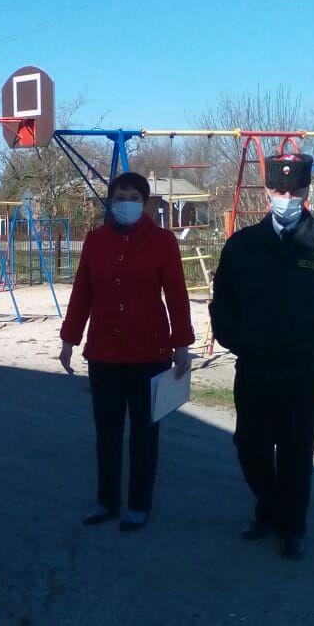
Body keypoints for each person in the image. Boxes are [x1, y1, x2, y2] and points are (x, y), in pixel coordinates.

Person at [209, 152, 314, 560]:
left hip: (305, 370)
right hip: (255, 367)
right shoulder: (243, 245)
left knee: (297, 451)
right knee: (250, 447)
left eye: (294, 191)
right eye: (279, 190)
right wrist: (238, 339)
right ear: (267, 191)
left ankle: (291, 526)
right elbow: (222, 301)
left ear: (306, 191)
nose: (286, 198)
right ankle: (272, 508)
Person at [59, 172, 194, 531]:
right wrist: (69, 339)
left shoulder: (162, 241)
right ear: (111, 201)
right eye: (120, 197)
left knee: (145, 432)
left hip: (150, 352)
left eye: (134, 198)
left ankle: (139, 503)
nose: (126, 204)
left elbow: (176, 295)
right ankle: (106, 500)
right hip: (104, 353)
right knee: (107, 431)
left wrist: (181, 345)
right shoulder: (95, 241)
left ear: (145, 203)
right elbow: (82, 292)